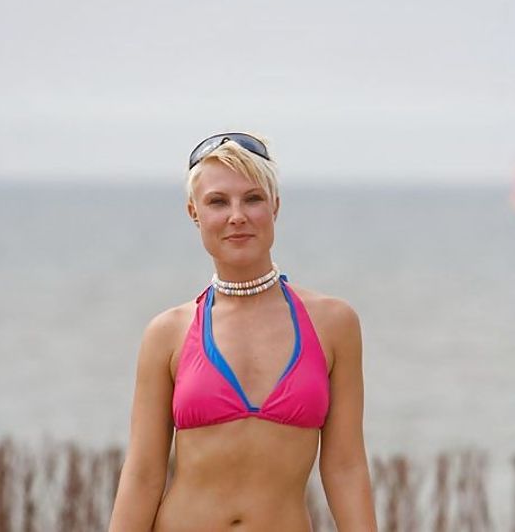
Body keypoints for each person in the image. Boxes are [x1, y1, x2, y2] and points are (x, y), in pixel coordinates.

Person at [108, 132, 378, 532]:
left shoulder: (334, 324)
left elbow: (345, 467)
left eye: (252, 199)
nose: (237, 216)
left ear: (275, 206)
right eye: (218, 202)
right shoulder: (167, 333)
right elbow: (143, 474)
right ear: (194, 213)